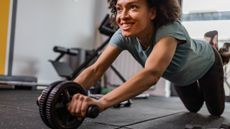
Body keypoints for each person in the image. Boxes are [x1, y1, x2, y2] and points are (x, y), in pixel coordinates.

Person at [67, 0, 225, 118]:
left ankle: (212, 46)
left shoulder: (169, 31)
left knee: (215, 112)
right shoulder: (123, 35)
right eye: (119, 9)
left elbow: (151, 74)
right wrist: (65, 93)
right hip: (182, 75)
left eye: (133, 7)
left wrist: (101, 103)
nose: (122, 17)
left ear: (152, 12)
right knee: (194, 108)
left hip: (208, 63)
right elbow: (96, 69)